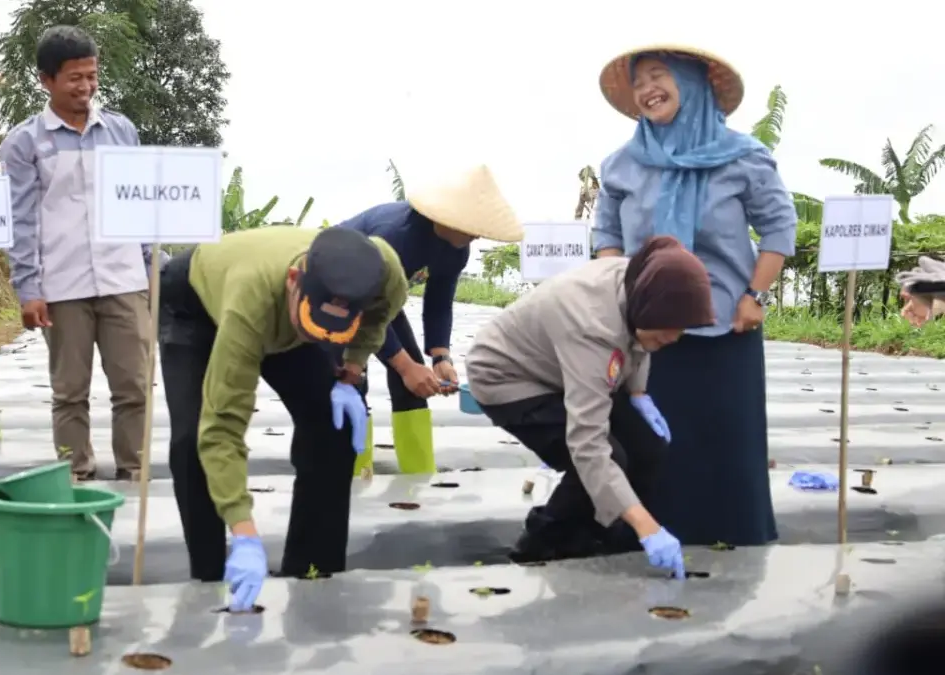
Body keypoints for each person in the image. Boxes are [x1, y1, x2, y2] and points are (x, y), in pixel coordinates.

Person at [592, 45, 797, 547]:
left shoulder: (744, 156)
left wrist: (755, 295)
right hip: (647, 333)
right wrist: (624, 296)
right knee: (645, 440)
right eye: (639, 82)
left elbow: (778, 227)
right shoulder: (621, 164)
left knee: (724, 441)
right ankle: (644, 535)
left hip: (726, 326)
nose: (647, 90)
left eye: (659, 76)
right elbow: (605, 237)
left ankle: (734, 537)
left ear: (692, 82)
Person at [159, 226, 407, 611]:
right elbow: (224, 426)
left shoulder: (382, 269)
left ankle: (313, 574)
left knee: (331, 426)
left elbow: (377, 318)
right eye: (313, 324)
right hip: (195, 305)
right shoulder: (250, 302)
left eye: (332, 329)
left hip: (282, 310)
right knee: (194, 442)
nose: (320, 335)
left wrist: (352, 371)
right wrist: (243, 529)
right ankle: (213, 582)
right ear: (295, 281)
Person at [466, 236, 715, 574]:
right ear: (646, 307)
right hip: (509, 377)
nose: (671, 340)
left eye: (679, 332)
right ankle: (538, 547)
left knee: (647, 448)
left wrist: (639, 394)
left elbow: (640, 343)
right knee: (604, 457)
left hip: (560, 369)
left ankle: (608, 539)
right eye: (665, 333)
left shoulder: (640, 283)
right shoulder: (591, 324)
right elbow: (588, 445)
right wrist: (649, 527)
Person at [1, 26, 163, 481]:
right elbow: (23, 220)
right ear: (45, 80)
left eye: (91, 76)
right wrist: (28, 288)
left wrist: (152, 266)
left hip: (124, 279)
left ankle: (135, 472)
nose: (86, 87)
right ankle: (75, 475)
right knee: (69, 391)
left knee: (134, 387)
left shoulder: (120, 131)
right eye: (74, 78)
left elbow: (140, 203)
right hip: (62, 285)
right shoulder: (24, 143)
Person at [338, 164, 522, 476]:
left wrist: (440, 356)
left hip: (382, 301)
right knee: (352, 379)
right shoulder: (397, 235)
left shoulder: (456, 249)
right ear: (446, 217)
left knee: (412, 383)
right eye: (471, 226)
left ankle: (419, 475)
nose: (476, 234)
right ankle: (353, 476)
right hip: (340, 296)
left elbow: (438, 303)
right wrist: (406, 366)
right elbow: (367, 311)